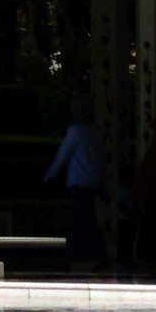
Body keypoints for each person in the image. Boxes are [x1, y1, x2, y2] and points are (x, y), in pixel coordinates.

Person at [47, 114, 108, 270]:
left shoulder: (76, 131)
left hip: (79, 181)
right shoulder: (98, 131)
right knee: (86, 219)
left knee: (79, 220)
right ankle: (92, 256)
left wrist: (50, 174)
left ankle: (72, 257)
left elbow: (63, 154)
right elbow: (101, 158)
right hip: (92, 182)